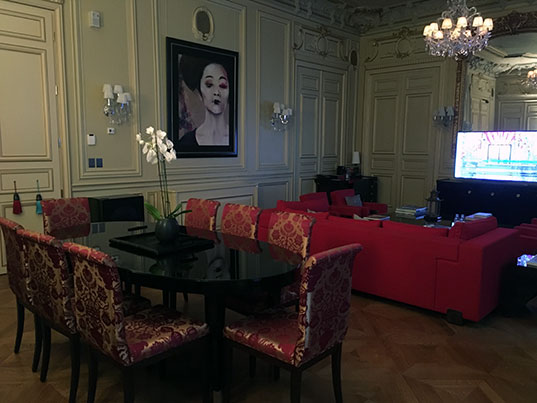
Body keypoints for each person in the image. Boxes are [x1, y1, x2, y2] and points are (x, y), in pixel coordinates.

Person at [178, 56, 230, 147]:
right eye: (209, 85)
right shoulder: (186, 142)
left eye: (222, 85)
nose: (216, 92)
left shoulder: (240, 139)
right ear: (199, 93)